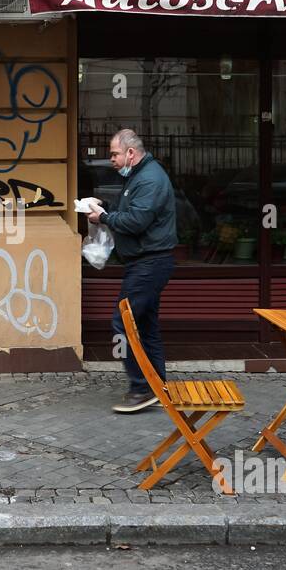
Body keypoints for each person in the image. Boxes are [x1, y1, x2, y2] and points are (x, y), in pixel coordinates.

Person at [86, 129, 177, 413]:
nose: (110, 159)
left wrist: (103, 217)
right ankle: (156, 386)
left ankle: (140, 387)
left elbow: (136, 221)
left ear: (130, 153)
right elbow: (133, 211)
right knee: (146, 325)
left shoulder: (149, 178)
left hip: (149, 263)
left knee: (123, 323)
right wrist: (107, 208)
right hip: (146, 262)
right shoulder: (139, 176)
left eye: (114, 153)